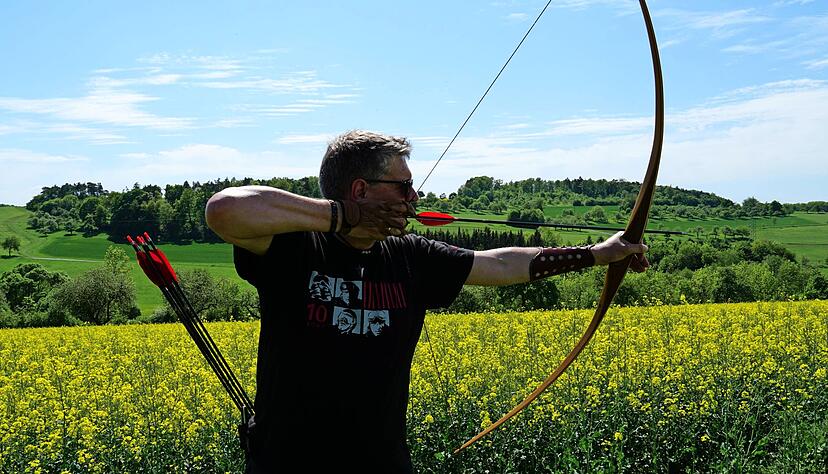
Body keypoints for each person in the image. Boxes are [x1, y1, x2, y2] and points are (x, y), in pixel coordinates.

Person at [205, 130, 648, 473]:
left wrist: (597, 254)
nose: (413, 198)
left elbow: (499, 264)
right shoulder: (296, 247)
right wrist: (341, 216)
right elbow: (224, 209)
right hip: (288, 463)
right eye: (401, 187)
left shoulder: (410, 255)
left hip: (382, 463)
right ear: (360, 189)